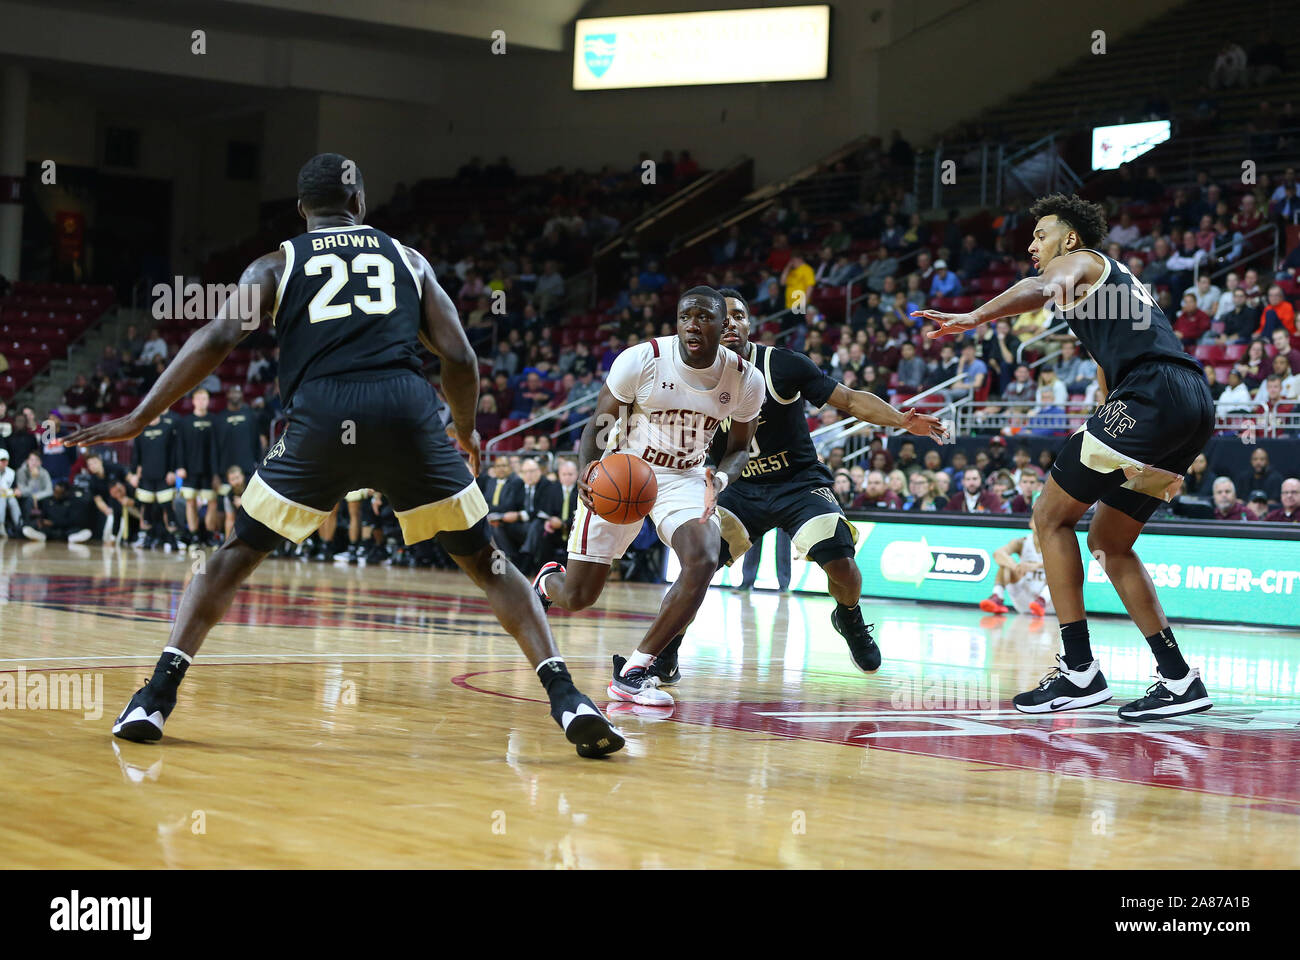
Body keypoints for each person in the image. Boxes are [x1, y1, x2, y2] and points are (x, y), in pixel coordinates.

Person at [59, 153, 622, 759]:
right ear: (360, 203)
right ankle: (568, 699)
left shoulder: (276, 263)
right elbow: (459, 358)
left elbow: (218, 336)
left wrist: (141, 415)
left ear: (302, 210)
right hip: (408, 412)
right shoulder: (408, 259)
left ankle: (155, 696)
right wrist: (464, 431)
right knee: (487, 564)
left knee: (231, 557)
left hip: (322, 418)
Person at [916, 193, 1215, 721]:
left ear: (1070, 238)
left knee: (1048, 516)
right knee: (1109, 541)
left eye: (1040, 235)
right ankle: (1179, 678)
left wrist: (973, 317)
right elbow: (1107, 368)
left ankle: (1079, 671)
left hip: (1153, 394)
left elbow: (1041, 285)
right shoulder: (1110, 290)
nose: (1033, 246)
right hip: (1188, 400)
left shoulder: (1080, 263)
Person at [655, 289, 946, 682]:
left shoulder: (783, 364)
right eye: (721, 317)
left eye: (738, 316)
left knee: (840, 561)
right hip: (738, 488)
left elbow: (849, 399)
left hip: (798, 483)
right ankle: (667, 648)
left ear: (748, 324)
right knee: (697, 567)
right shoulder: (685, 377)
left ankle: (849, 618)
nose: (730, 324)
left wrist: (900, 420)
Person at [532, 287, 766, 707]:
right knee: (579, 597)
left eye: (703, 317)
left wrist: (722, 480)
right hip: (626, 469)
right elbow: (602, 420)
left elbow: (740, 447)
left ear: (723, 325)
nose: (692, 324)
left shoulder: (745, 378)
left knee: (705, 557)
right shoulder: (642, 359)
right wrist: (588, 468)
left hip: (687, 475)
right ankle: (547, 582)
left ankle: (635, 670)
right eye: (685, 316)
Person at [979, 521, 1054, 618]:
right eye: (1037, 516)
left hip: (1049, 601)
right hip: (1023, 596)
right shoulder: (1022, 542)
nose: (1040, 519)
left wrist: (1035, 566)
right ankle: (998, 597)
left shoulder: (1056, 544)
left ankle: (1042, 600)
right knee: (1005, 563)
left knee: (1060, 571)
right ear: (1031, 523)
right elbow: (997, 553)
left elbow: (1065, 564)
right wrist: (1015, 566)